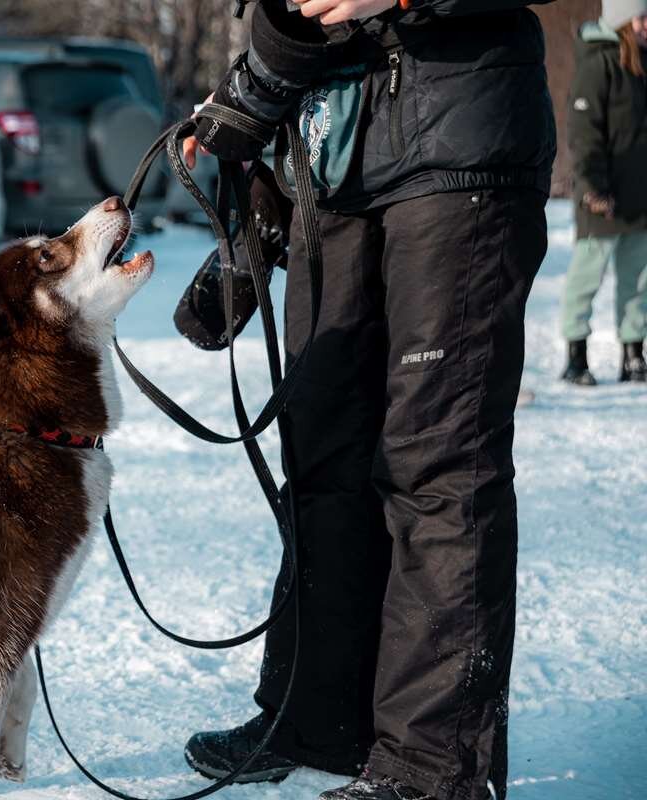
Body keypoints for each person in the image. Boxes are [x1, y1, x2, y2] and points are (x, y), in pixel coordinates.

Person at [177, 2, 555, 800]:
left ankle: (432, 766)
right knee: (322, 458)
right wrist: (248, 94)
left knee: (436, 466)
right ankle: (316, 718)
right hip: (331, 171)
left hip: (458, 150)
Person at [559, 0, 647, 385]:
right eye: (642, 17)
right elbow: (584, 134)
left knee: (639, 280)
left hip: (640, 196)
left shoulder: (643, 64)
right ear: (623, 21)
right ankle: (576, 356)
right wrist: (593, 188)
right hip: (602, 199)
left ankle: (633, 355)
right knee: (586, 279)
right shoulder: (599, 65)